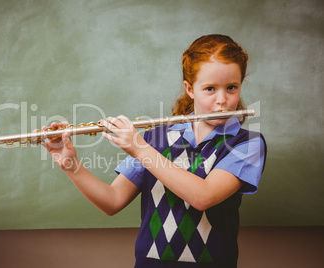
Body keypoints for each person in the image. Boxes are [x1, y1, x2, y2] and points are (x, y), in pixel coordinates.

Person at [42, 34, 267, 268]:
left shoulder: (247, 144)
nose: (222, 100)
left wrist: (140, 149)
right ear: (190, 89)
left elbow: (204, 197)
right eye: (210, 89)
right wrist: (70, 164)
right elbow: (113, 201)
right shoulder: (155, 137)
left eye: (232, 87)